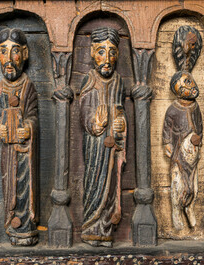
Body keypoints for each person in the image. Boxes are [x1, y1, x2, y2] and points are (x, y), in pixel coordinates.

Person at [79, 27, 126, 247]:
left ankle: (105, 228)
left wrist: (120, 123)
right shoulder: (89, 80)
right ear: (91, 53)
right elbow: (84, 113)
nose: (106, 59)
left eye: (111, 52)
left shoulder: (117, 81)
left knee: (110, 188)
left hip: (112, 145)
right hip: (95, 144)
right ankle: (91, 226)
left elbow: (120, 111)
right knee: (94, 182)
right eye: (101, 52)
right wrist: (94, 124)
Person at [0, 28, 38, 246]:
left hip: (24, 152)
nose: (9, 59)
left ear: (25, 53)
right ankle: (11, 226)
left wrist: (29, 128)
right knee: (9, 186)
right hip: (8, 151)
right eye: (4, 52)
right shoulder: (1, 88)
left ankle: (27, 228)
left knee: (25, 188)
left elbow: (33, 116)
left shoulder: (28, 85)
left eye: (15, 52)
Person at [163, 70, 203, 230]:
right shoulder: (172, 109)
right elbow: (167, 127)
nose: (189, 87)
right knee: (179, 183)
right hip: (179, 153)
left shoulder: (195, 106)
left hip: (193, 153)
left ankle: (189, 207)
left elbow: (200, 124)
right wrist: (167, 144)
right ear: (177, 92)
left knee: (194, 186)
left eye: (189, 81)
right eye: (183, 86)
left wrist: (199, 137)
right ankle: (176, 211)